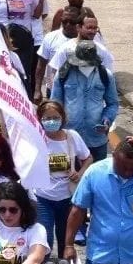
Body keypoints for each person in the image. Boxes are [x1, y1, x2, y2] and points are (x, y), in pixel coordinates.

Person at [33, 100, 92, 252]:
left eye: (55, 117)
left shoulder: (72, 137)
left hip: (67, 197)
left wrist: (79, 174)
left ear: (62, 118)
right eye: (47, 118)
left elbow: (88, 158)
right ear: (40, 119)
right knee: (44, 240)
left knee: (64, 239)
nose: (51, 121)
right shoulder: (35, 138)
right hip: (42, 197)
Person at [50, 39, 118, 162]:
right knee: (69, 176)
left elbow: (112, 104)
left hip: (96, 139)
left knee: (97, 175)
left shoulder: (105, 75)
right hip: (69, 137)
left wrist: (107, 119)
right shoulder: (63, 74)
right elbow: (54, 105)